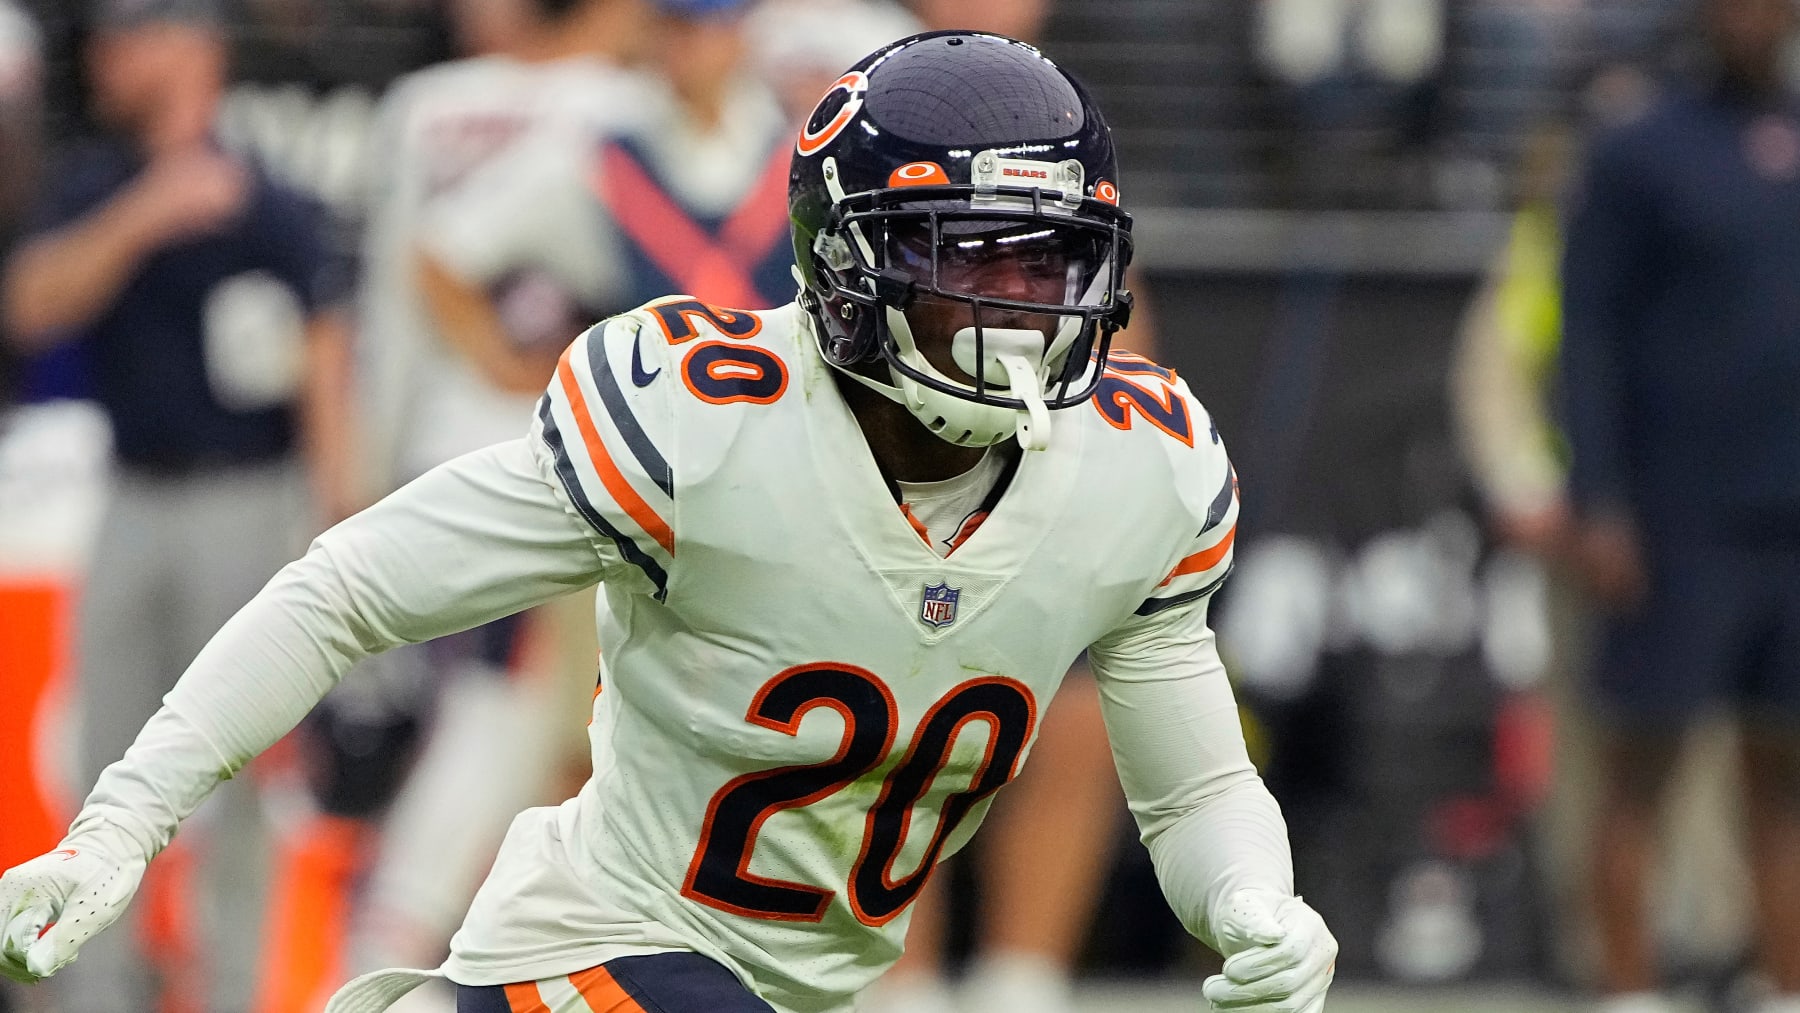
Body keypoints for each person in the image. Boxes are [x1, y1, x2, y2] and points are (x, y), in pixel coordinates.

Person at [0, 31, 1336, 1013]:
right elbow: (346, 587)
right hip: (598, 946)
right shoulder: (703, 419)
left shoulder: (1136, 465)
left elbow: (1199, 784)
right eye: (969, 258)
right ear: (852, 264)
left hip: (802, 987)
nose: (1019, 310)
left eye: (1049, 262)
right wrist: (120, 822)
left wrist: (1252, 903)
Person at [0, 1, 353, 1010]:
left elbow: (328, 342)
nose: (108, 58)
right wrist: (146, 212)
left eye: (129, 34)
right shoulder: (102, 183)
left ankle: (239, 989)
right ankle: (88, 989)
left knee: (240, 767)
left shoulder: (267, 194)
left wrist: (337, 507)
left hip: (250, 499)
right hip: (130, 494)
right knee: (101, 764)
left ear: (187, 44)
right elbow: (31, 302)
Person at [1559, 0, 1800, 1010]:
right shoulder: (1636, 149)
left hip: (1789, 513)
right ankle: (1631, 988)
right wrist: (1602, 498)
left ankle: (1782, 982)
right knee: (1641, 762)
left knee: (1784, 770)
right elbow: (1589, 334)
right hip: (1675, 513)